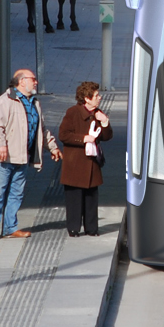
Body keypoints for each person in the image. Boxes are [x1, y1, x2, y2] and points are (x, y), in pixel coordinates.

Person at [0, 69, 61, 240]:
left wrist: (52, 147)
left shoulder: (35, 103)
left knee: (16, 193)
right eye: (33, 79)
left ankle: (11, 227)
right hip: (3, 157)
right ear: (22, 81)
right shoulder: (4, 101)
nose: (36, 82)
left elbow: (41, 129)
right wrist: (0, 145)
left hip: (22, 156)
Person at [57, 81, 114, 237]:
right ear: (87, 99)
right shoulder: (73, 112)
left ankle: (92, 228)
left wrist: (104, 122)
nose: (99, 98)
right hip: (75, 163)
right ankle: (74, 228)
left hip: (92, 163)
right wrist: (83, 139)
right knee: (74, 198)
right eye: (96, 95)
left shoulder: (97, 113)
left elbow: (107, 136)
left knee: (91, 198)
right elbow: (64, 135)